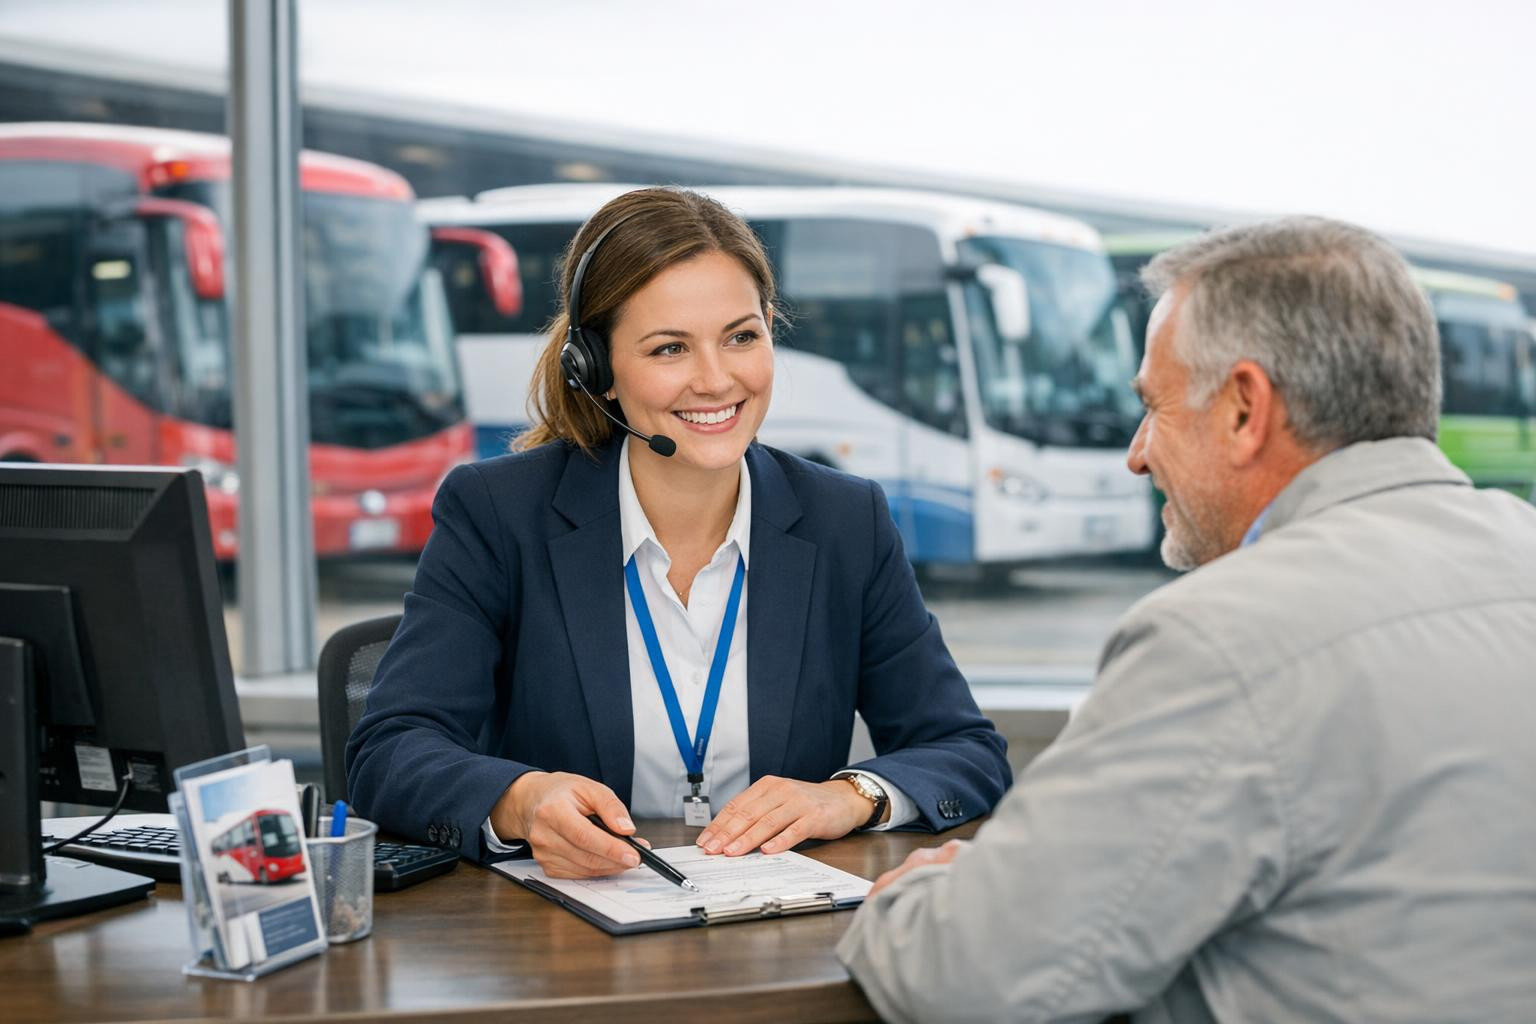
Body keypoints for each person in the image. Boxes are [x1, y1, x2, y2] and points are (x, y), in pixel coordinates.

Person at [837, 216, 1536, 1023]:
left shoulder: (1224, 637)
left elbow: (966, 980)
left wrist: (935, 893)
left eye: (1154, 407)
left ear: (1245, 408)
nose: (1137, 453)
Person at [346, 187, 1010, 878]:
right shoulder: (498, 512)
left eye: (741, 337)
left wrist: (849, 798)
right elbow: (391, 751)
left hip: (777, 926)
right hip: (563, 937)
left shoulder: (846, 522)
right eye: (669, 349)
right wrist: (522, 800)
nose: (716, 380)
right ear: (596, 370)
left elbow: (965, 750)